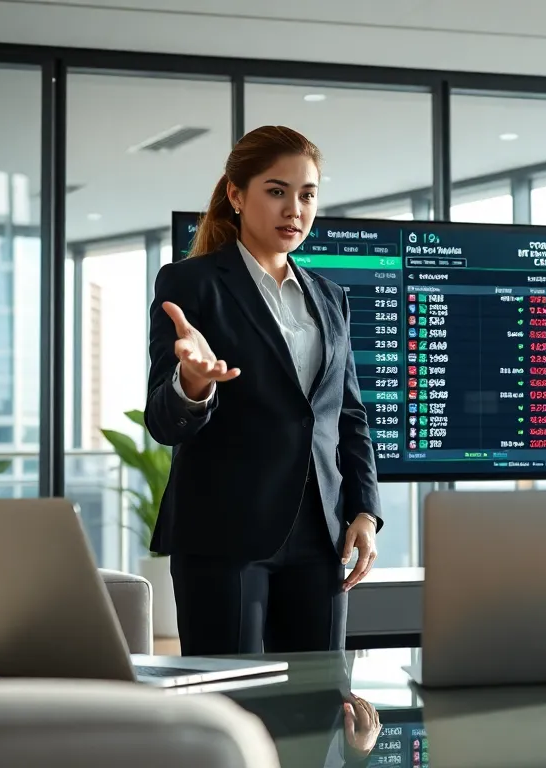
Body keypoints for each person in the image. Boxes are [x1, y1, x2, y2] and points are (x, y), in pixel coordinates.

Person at [144, 125, 382, 656]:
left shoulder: (330, 297)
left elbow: (349, 417)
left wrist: (364, 511)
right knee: (233, 707)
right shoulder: (191, 284)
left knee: (321, 710)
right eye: (276, 191)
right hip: (224, 536)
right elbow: (163, 421)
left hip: (320, 538)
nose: (293, 209)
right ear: (236, 194)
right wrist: (193, 383)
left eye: (307, 194)